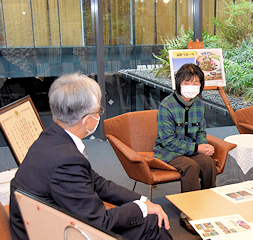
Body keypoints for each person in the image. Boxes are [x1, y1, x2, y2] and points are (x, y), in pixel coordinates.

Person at [9, 73, 172, 240]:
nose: (100, 115)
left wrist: (142, 200)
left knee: (149, 218)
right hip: (50, 232)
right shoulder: (67, 160)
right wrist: (141, 208)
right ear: (86, 120)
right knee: (153, 223)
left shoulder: (51, 136)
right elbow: (99, 222)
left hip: (46, 221)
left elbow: (96, 182)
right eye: (98, 111)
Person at [153, 63, 217, 233]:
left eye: (196, 83)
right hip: (168, 151)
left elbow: (201, 130)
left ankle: (207, 205)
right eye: (187, 83)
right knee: (191, 166)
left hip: (191, 149)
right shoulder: (166, 106)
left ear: (201, 86)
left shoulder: (198, 104)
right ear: (178, 84)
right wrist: (197, 148)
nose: (191, 87)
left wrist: (204, 146)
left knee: (209, 163)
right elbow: (168, 141)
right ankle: (188, 213)